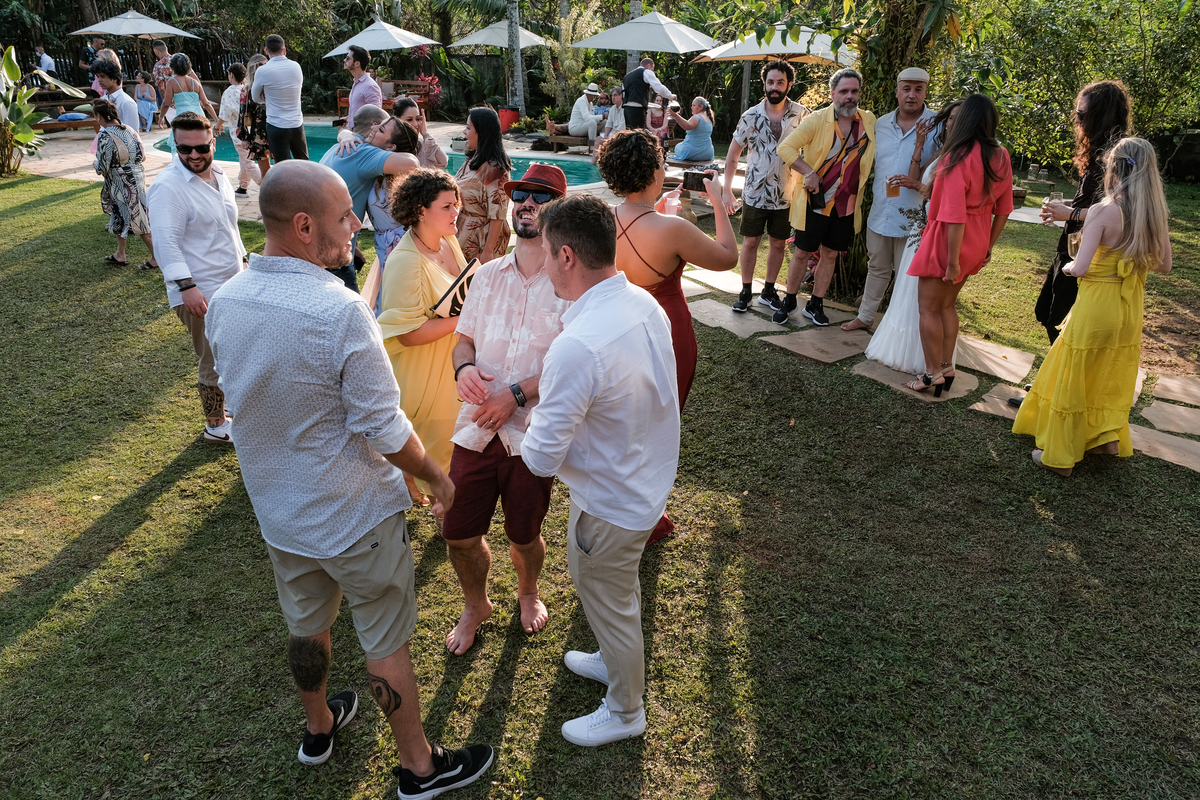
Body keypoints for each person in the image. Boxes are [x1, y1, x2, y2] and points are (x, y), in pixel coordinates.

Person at [204, 160, 494, 799]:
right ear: (304, 226)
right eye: (344, 217)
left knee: (306, 625)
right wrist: (437, 478)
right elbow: (384, 427)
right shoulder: (339, 310)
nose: (357, 225)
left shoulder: (225, 300)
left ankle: (319, 728)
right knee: (385, 640)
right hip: (355, 514)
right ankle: (420, 768)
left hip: (279, 515)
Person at [522, 194, 681, 747]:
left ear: (566, 256)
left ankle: (625, 710)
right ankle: (612, 658)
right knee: (614, 592)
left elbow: (540, 458)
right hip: (642, 479)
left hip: (611, 501)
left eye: (546, 251)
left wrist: (520, 415)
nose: (543, 262)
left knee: (610, 600)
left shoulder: (578, 347)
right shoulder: (643, 302)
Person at [441, 164, 571, 656]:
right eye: (521, 195)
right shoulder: (486, 275)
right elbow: (464, 340)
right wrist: (463, 369)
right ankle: (476, 605)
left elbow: (572, 365)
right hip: (475, 429)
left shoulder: (571, 284)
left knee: (525, 535)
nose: (527, 203)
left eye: (540, 196)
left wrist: (514, 395)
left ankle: (528, 590)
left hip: (531, 433)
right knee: (458, 534)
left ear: (559, 209)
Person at [596, 128, 737, 545]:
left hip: (617, 331)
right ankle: (647, 513)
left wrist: (655, 209)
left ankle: (619, 501)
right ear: (655, 171)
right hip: (667, 333)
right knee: (659, 426)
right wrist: (719, 202)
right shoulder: (672, 229)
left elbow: (633, 233)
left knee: (623, 419)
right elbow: (727, 257)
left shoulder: (600, 218)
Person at [1013, 138, 1171, 475]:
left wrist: (1069, 267)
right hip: (1129, 309)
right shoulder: (1154, 215)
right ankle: (1105, 438)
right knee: (1109, 371)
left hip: (1097, 306)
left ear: (1114, 169)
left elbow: (1080, 267)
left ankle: (1060, 456)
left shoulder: (1103, 211)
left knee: (1076, 373)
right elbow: (1165, 265)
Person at [147, 112, 246, 442]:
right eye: (183, 149)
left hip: (231, 283)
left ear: (213, 142)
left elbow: (230, 228)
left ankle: (228, 408)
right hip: (198, 290)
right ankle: (215, 425)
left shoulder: (218, 174)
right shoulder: (168, 187)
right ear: (174, 146)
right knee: (212, 357)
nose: (193, 155)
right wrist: (187, 287)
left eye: (201, 148)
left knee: (230, 352)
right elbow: (165, 243)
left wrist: (244, 261)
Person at [905, 93, 1013, 395]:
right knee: (947, 305)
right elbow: (1004, 209)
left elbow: (953, 215)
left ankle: (932, 374)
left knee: (928, 308)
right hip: (977, 238)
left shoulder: (956, 157)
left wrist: (952, 262)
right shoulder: (1000, 155)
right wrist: (987, 246)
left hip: (948, 240)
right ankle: (946, 367)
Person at [378, 169, 468, 491]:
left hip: (451, 362)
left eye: (456, 204)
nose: (456, 212)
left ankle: (420, 486)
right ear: (421, 211)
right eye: (447, 206)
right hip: (424, 371)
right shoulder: (406, 261)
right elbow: (407, 333)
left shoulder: (447, 240)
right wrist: (466, 319)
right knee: (438, 451)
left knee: (452, 447)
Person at [864, 100, 962, 374]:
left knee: (923, 297)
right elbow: (917, 178)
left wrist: (917, 186)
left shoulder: (960, 156)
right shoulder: (944, 150)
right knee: (907, 290)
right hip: (921, 225)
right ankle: (906, 351)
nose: (952, 123)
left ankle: (925, 360)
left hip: (933, 228)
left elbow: (942, 195)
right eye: (950, 118)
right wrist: (919, 144)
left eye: (958, 119)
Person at [775, 67, 877, 326]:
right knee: (802, 252)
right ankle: (789, 300)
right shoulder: (817, 120)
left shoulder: (868, 121)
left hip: (846, 204)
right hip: (816, 201)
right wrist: (808, 173)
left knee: (830, 254)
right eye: (844, 91)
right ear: (833, 94)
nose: (849, 97)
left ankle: (815, 304)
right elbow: (785, 147)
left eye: (854, 91)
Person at [1034, 80, 1133, 344]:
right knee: (1045, 313)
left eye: (1082, 114)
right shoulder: (1096, 150)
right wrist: (1069, 205)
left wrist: (1072, 214)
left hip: (1090, 253)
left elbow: (1123, 212)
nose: (1076, 120)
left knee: (1060, 323)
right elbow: (1097, 201)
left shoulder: (1118, 157)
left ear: (1101, 115)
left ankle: (1065, 370)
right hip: (1070, 244)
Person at [843, 67, 939, 332]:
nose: (911, 95)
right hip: (882, 210)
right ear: (897, 91)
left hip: (917, 215)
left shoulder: (937, 125)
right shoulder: (880, 124)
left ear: (926, 92)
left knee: (908, 275)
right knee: (877, 267)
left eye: (918, 89)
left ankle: (901, 328)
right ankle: (865, 317)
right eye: (906, 89)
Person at [722, 61, 810, 313]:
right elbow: (732, 155)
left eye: (780, 82)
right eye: (770, 82)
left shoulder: (803, 115)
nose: (774, 87)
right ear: (764, 84)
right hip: (755, 193)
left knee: (778, 244)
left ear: (789, 85)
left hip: (786, 194)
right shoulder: (750, 116)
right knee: (750, 242)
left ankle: (768, 291)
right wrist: (727, 191)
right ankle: (746, 291)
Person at [320, 115, 421, 291]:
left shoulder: (343, 146)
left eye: (380, 129)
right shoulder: (364, 153)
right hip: (333, 256)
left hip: (318, 248)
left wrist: (345, 134)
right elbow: (411, 163)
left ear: (391, 146)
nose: (373, 128)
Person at [93, 98, 157, 270]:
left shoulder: (105, 135)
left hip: (121, 183)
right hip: (138, 178)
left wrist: (95, 164)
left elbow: (103, 167)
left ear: (99, 116)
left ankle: (157, 257)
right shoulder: (130, 130)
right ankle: (120, 254)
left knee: (139, 220)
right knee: (120, 215)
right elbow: (143, 156)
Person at [455, 106, 511, 264]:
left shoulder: (495, 169)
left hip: (481, 241)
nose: (464, 132)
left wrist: (488, 251)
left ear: (482, 132)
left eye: (468, 128)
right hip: (463, 232)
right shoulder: (472, 160)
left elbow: (498, 214)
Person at [252, 35, 307, 161]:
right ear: (284, 50)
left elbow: (255, 98)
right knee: (304, 164)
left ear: (266, 51)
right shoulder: (296, 67)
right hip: (296, 124)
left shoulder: (263, 71)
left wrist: (267, 98)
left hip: (276, 125)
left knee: (282, 167)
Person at [218, 62, 262, 196]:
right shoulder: (249, 89)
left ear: (231, 75)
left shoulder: (229, 92)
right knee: (245, 160)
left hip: (239, 134)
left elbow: (225, 114)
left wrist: (217, 126)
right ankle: (243, 187)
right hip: (254, 131)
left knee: (247, 161)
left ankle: (266, 185)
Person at [158, 53, 221, 142]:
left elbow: (166, 103)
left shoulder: (172, 82)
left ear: (173, 66)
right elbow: (206, 103)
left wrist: (161, 117)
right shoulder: (195, 82)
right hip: (199, 115)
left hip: (183, 117)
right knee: (201, 142)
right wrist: (217, 120)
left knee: (184, 142)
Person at [238, 54, 272, 180]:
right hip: (258, 133)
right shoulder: (247, 90)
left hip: (276, 128)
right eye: (260, 65)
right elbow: (243, 114)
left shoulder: (272, 86)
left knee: (281, 170)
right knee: (265, 174)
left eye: (265, 65)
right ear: (254, 68)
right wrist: (244, 137)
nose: (263, 67)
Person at [621, 57, 676, 131]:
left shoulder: (626, 77)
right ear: (648, 66)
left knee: (630, 132)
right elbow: (659, 88)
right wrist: (671, 96)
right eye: (652, 69)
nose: (652, 72)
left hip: (627, 109)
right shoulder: (646, 72)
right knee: (639, 133)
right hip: (638, 109)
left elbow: (624, 94)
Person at [394, 97, 448, 169]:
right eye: (409, 119)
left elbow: (443, 162)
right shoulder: (391, 146)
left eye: (418, 119)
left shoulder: (425, 144)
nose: (415, 124)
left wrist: (426, 135)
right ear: (397, 121)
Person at [92, 60, 140, 134]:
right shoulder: (103, 99)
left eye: (103, 76)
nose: (99, 80)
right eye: (98, 77)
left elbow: (133, 133)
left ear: (114, 78)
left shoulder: (126, 102)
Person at [344, 45, 383, 133]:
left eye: (348, 58)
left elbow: (376, 116)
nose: (344, 60)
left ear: (357, 63)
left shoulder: (370, 86)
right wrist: (349, 118)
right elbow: (360, 109)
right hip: (355, 133)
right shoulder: (357, 83)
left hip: (363, 136)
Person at [667, 97, 715, 162]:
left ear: (701, 107)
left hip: (694, 152)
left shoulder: (696, 117)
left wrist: (675, 115)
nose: (691, 107)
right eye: (692, 105)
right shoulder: (709, 118)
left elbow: (687, 126)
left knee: (677, 147)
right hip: (708, 153)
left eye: (694, 105)